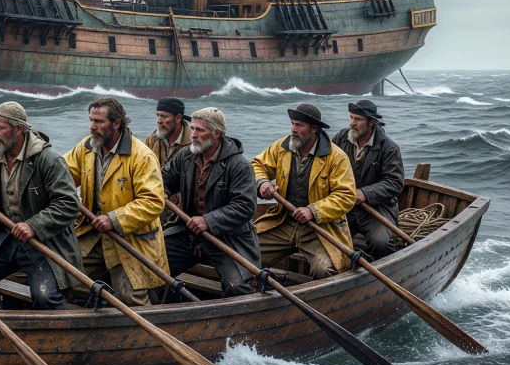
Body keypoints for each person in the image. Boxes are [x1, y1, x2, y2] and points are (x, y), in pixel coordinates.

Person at [0, 102, 82, 310]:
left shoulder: (48, 160)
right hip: (1, 237)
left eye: (0, 128)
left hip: (44, 242)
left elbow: (69, 204)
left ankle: (56, 336)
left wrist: (33, 225)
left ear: (19, 129)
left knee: (45, 297)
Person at [64, 96, 167, 306]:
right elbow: (61, 174)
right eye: (91, 120)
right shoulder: (85, 149)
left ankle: (145, 331)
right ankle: (95, 312)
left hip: (131, 240)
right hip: (94, 235)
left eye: (99, 122)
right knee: (62, 274)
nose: (92, 127)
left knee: (130, 297)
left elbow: (153, 202)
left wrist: (114, 219)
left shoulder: (142, 157)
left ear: (117, 123)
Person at [161, 108, 261, 297]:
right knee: (149, 267)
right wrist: (163, 191)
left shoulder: (239, 165)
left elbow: (245, 206)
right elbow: (164, 177)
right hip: (189, 234)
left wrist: (208, 220)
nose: (194, 135)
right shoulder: (186, 155)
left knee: (237, 288)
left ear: (217, 134)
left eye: (200, 130)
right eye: (192, 129)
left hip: (228, 239)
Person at [252, 104, 356, 279]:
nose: (293, 130)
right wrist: (262, 183)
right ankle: (255, 290)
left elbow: (346, 196)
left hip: (320, 228)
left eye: (299, 125)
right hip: (283, 222)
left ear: (314, 129)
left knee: (325, 270)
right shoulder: (281, 147)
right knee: (245, 252)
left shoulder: (336, 157)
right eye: (292, 124)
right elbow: (257, 165)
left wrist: (313, 211)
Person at [332, 100, 405, 259]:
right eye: (351, 118)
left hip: (376, 208)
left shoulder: (389, 147)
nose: (352, 123)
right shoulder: (341, 139)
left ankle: (380, 275)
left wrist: (365, 193)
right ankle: (342, 273)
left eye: (358, 119)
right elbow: (325, 166)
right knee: (325, 237)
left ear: (372, 122)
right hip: (344, 207)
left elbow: (395, 183)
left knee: (381, 243)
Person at [145, 97, 192, 167]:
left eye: (164, 117)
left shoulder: (193, 142)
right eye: (158, 115)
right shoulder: (152, 139)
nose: (158, 121)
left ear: (178, 118)